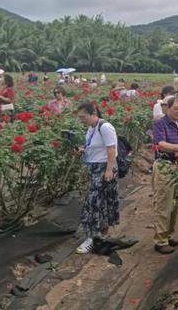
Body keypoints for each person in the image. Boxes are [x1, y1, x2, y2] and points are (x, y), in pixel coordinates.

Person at [75, 102, 120, 254]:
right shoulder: (91, 128)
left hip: (104, 168)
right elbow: (95, 146)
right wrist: (83, 150)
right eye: (80, 117)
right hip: (95, 168)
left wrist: (109, 170)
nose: (82, 120)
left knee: (95, 202)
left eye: (84, 117)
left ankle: (93, 238)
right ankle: (99, 236)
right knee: (99, 202)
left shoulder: (105, 127)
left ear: (93, 113)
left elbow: (111, 149)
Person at [151, 96, 178, 254]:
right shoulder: (160, 123)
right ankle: (160, 241)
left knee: (174, 205)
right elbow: (160, 144)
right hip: (164, 167)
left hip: (176, 167)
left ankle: (169, 235)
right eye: (176, 108)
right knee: (163, 204)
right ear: (168, 108)